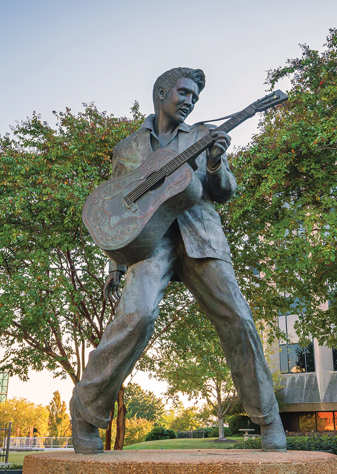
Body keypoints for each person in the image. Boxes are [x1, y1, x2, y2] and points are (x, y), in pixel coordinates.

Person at [70, 67, 286, 453]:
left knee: (237, 317)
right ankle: (85, 413)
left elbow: (224, 192)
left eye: (195, 98)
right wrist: (115, 264)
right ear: (161, 92)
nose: (189, 101)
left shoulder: (202, 135)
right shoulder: (128, 149)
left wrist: (216, 163)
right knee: (135, 317)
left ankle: (268, 417)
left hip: (201, 236)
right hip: (150, 244)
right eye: (184, 93)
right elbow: (116, 209)